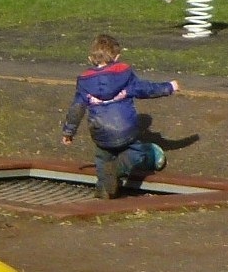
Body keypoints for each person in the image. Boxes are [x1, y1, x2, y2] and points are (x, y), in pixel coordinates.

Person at [61, 33, 180, 198]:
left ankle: (103, 189)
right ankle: (118, 169)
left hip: (100, 131)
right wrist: (169, 87)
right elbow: (145, 89)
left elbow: (77, 108)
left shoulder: (85, 81)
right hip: (126, 129)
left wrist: (69, 131)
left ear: (90, 58)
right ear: (117, 57)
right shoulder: (124, 74)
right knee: (137, 153)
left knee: (103, 159)